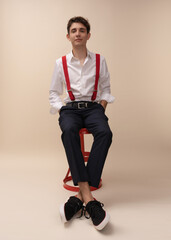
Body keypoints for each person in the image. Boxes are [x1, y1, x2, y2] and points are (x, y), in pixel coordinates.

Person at [49, 16, 114, 230]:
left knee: (105, 132)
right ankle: (89, 197)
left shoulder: (100, 60)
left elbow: (105, 88)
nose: (78, 33)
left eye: (82, 30)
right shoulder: (61, 63)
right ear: (68, 36)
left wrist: (101, 108)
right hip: (71, 109)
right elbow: (53, 94)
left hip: (94, 107)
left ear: (88, 35)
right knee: (68, 130)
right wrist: (63, 111)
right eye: (74, 30)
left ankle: (79, 196)